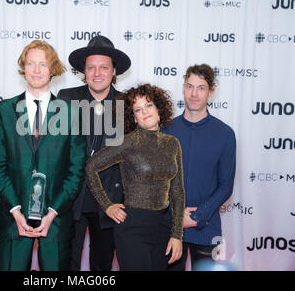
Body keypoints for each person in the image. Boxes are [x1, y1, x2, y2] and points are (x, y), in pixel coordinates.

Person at [0, 40, 86, 271]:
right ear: (23, 67)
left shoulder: (71, 113)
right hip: (13, 221)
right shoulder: (3, 112)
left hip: (56, 221)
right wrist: (15, 210)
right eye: (30, 63)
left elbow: (76, 170)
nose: (35, 70)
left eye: (42, 64)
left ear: (53, 69)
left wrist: (52, 212)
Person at [85, 83, 185, 271]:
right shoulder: (128, 142)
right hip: (133, 227)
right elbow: (91, 167)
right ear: (134, 117)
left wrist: (177, 234)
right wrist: (107, 205)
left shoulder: (173, 143)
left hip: (163, 225)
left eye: (148, 105)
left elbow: (178, 192)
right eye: (138, 110)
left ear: (158, 108)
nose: (145, 112)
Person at [57, 35, 131, 271]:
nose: (97, 73)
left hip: (110, 202)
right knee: (67, 264)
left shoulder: (126, 104)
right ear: (83, 71)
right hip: (72, 200)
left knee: (102, 266)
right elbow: (56, 150)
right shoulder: (66, 99)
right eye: (91, 67)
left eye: (103, 67)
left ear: (113, 71)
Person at [162, 64, 236, 271]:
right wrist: (176, 215)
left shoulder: (225, 134)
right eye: (189, 86)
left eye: (201, 88)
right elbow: (156, 181)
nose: (194, 93)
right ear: (183, 88)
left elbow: (225, 186)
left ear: (211, 92)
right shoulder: (165, 130)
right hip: (170, 225)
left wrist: (197, 217)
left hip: (207, 226)